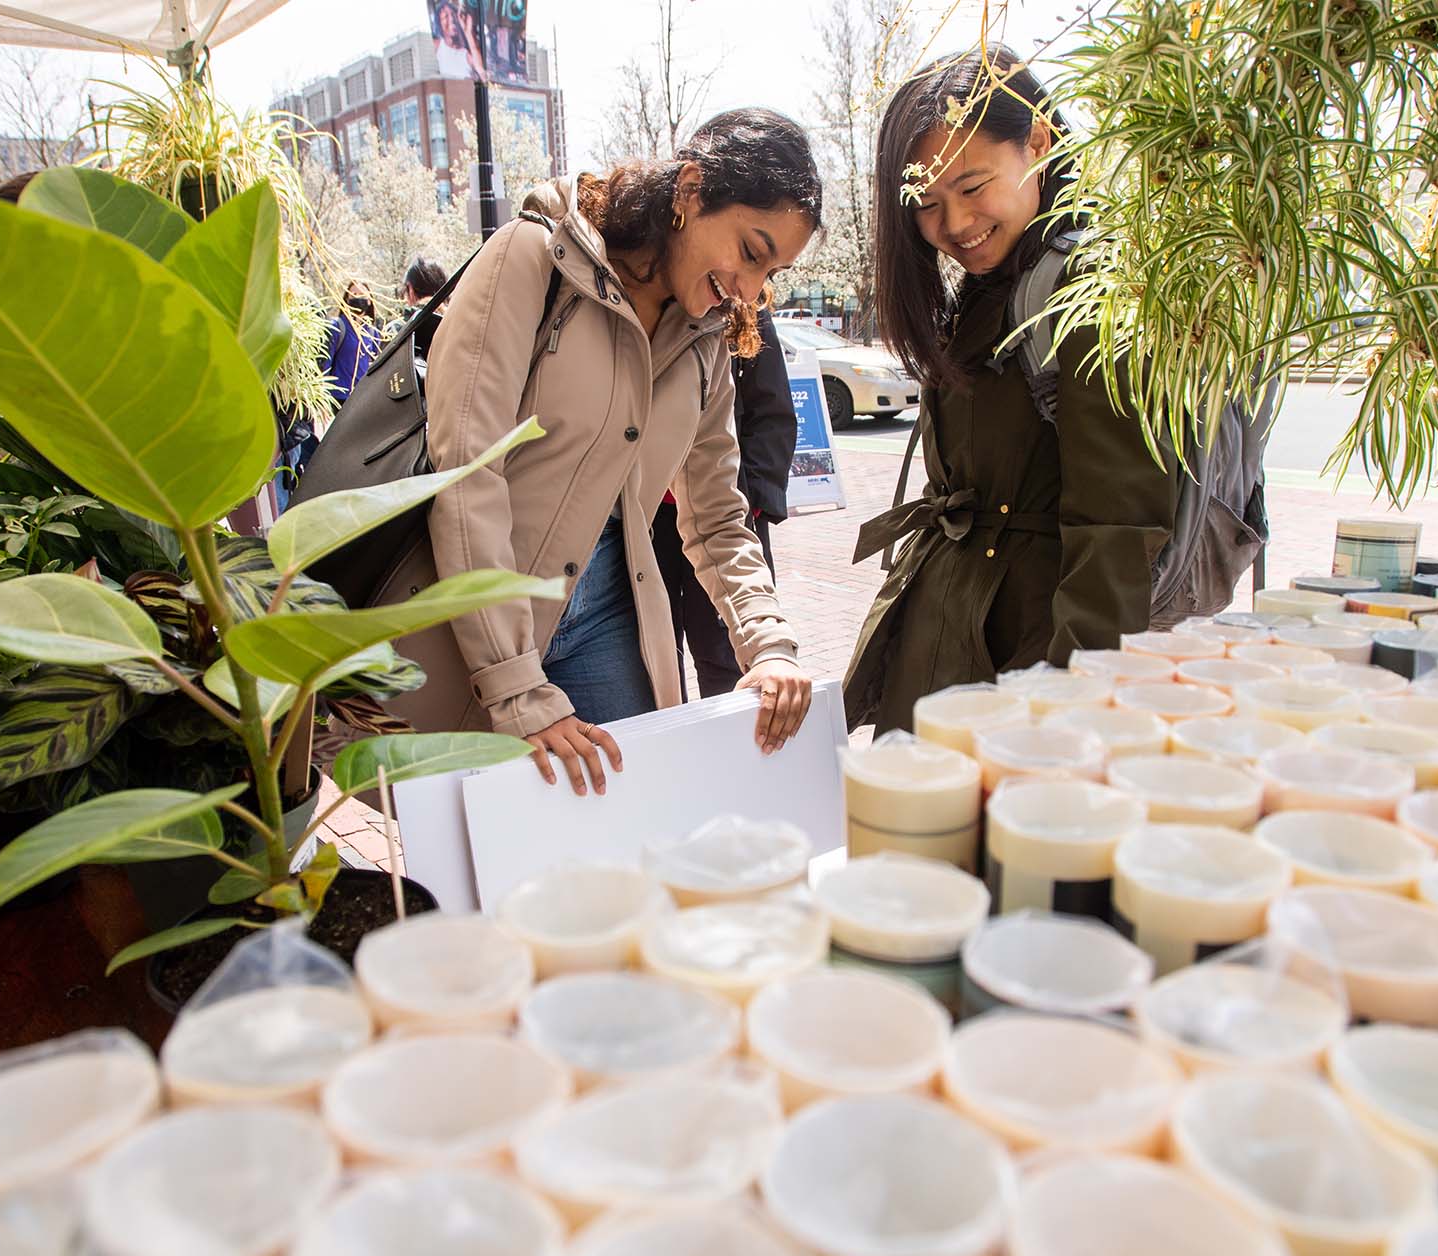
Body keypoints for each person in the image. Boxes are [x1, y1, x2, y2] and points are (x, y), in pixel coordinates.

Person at [372, 108, 822, 795]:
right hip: (482, 617)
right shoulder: (532, 257)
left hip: (609, 614)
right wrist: (516, 686)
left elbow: (719, 519)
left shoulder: (706, 341)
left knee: (628, 831)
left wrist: (768, 643)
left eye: (772, 273)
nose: (751, 291)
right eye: (751, 252)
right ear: (692, 190)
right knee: (489, 868)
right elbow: (466, 474)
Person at [844, 46, 1178, 736]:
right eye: (927, 205)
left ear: (1037, 141)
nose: (955, 225)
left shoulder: (1091, 291)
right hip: (959, 646)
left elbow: (1117, 534)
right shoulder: (992, 284)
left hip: (1027, 672)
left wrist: (1065, 720)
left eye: (971, 187)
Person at [651, 307, 797, 696]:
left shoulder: (744, 309)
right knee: (656, 646)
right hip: (649, 520)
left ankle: (732, 742)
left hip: (725, 513)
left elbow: (774, 412)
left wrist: (755, 504)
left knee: (723, 646)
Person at [320, 282, 379, 408]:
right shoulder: (337, 327)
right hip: (338, 398)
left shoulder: (373, 332)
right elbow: (325, 364)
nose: (358, 298)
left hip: (363, 399)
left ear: (369, 301)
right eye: (354, 294)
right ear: (347, 299)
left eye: (362, 294)